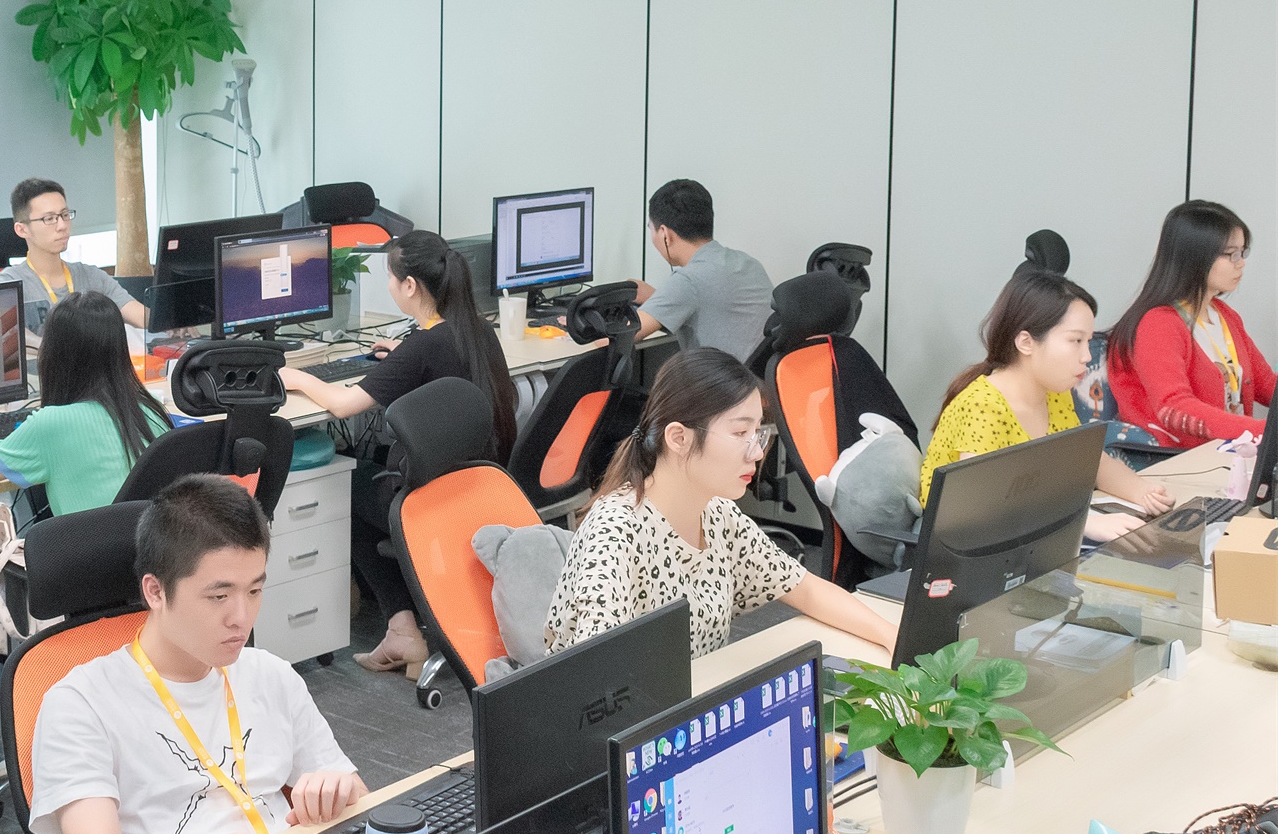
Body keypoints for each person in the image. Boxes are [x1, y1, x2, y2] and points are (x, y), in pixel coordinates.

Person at [29, 475, 366, 834]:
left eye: (255, 590)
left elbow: (358, 796)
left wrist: (336, 790)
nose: (241, 617)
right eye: (219, 596)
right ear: (155, 591)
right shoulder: (81, 702)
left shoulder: (271, 675)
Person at [545, 348, 898, 659]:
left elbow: (804, 589)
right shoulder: (614, 530)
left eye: (758, 433)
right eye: (740, 433)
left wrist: (890, 635)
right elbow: (596, 673)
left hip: (694, 699)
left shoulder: (718, 514)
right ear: (679, 438)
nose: (757, 452)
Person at [278, 231, 517, 678]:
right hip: (479, 487)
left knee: (345, 487)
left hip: (429, 498)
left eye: (390, 277)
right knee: (364, 477)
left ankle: (402, 630)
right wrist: (400, 357)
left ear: (409, 285)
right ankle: (404, 628)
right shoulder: (477, 330)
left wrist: (297, 377)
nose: (388, 286)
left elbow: (343, 404)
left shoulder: (423, 346)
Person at [922, 271, 1171, 542]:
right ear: (1026, 343)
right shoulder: (982, 407)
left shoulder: (1055, 394)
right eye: (1075, 341)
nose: (1087, 356)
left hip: (1028, 533)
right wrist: (1084, 523)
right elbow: (980, 510)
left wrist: (1142, 491)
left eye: (1088, 341)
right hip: (964, 542)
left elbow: (1092, 461)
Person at [0, 291, 170, 516]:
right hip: (146, 552)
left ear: (54, 355)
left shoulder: (51, 424)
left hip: (87, 555)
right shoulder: (151, 413)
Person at [1106, 200, 1273, 448]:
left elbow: (1266, 384)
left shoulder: (1225, 315)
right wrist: (1262, 431)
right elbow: (1174, 407)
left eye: (1242, 252)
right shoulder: (1158, 323)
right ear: (1196, 257)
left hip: (1226, 453)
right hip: (1176, 460)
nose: (1241, 263)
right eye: (1232, 254)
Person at [627, 179, 775, 363]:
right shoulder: (747, 262)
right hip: (760, 378)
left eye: (651, 229)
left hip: (722, 381)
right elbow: (707, 302)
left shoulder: (688, 281)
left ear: (665, 233)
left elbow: (623, 337)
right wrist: (655, 298)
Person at [0, 177, 148, 334]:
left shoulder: (91, 276)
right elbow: (6, 339)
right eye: (49, 219)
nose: (62, 226)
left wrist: (164, 317)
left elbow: (140, 316)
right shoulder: (9, 284)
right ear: (22, 230)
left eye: (64, 215)